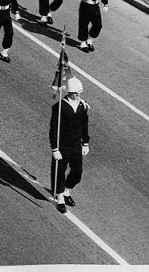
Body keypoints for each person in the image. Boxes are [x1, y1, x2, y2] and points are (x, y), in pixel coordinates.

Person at [50, 77, 90, 214]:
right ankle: (60, 197)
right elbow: (53, 128)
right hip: (63, 145)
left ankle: (67, 190)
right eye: (75, 93)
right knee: (59, 172)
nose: (78, 95)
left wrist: (85, 142)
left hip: (75, 145)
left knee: (77, 172)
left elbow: (85, 125)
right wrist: (54, 148)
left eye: (79, 92)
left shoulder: (82, 106)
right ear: (69, 92)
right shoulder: (59, 107)